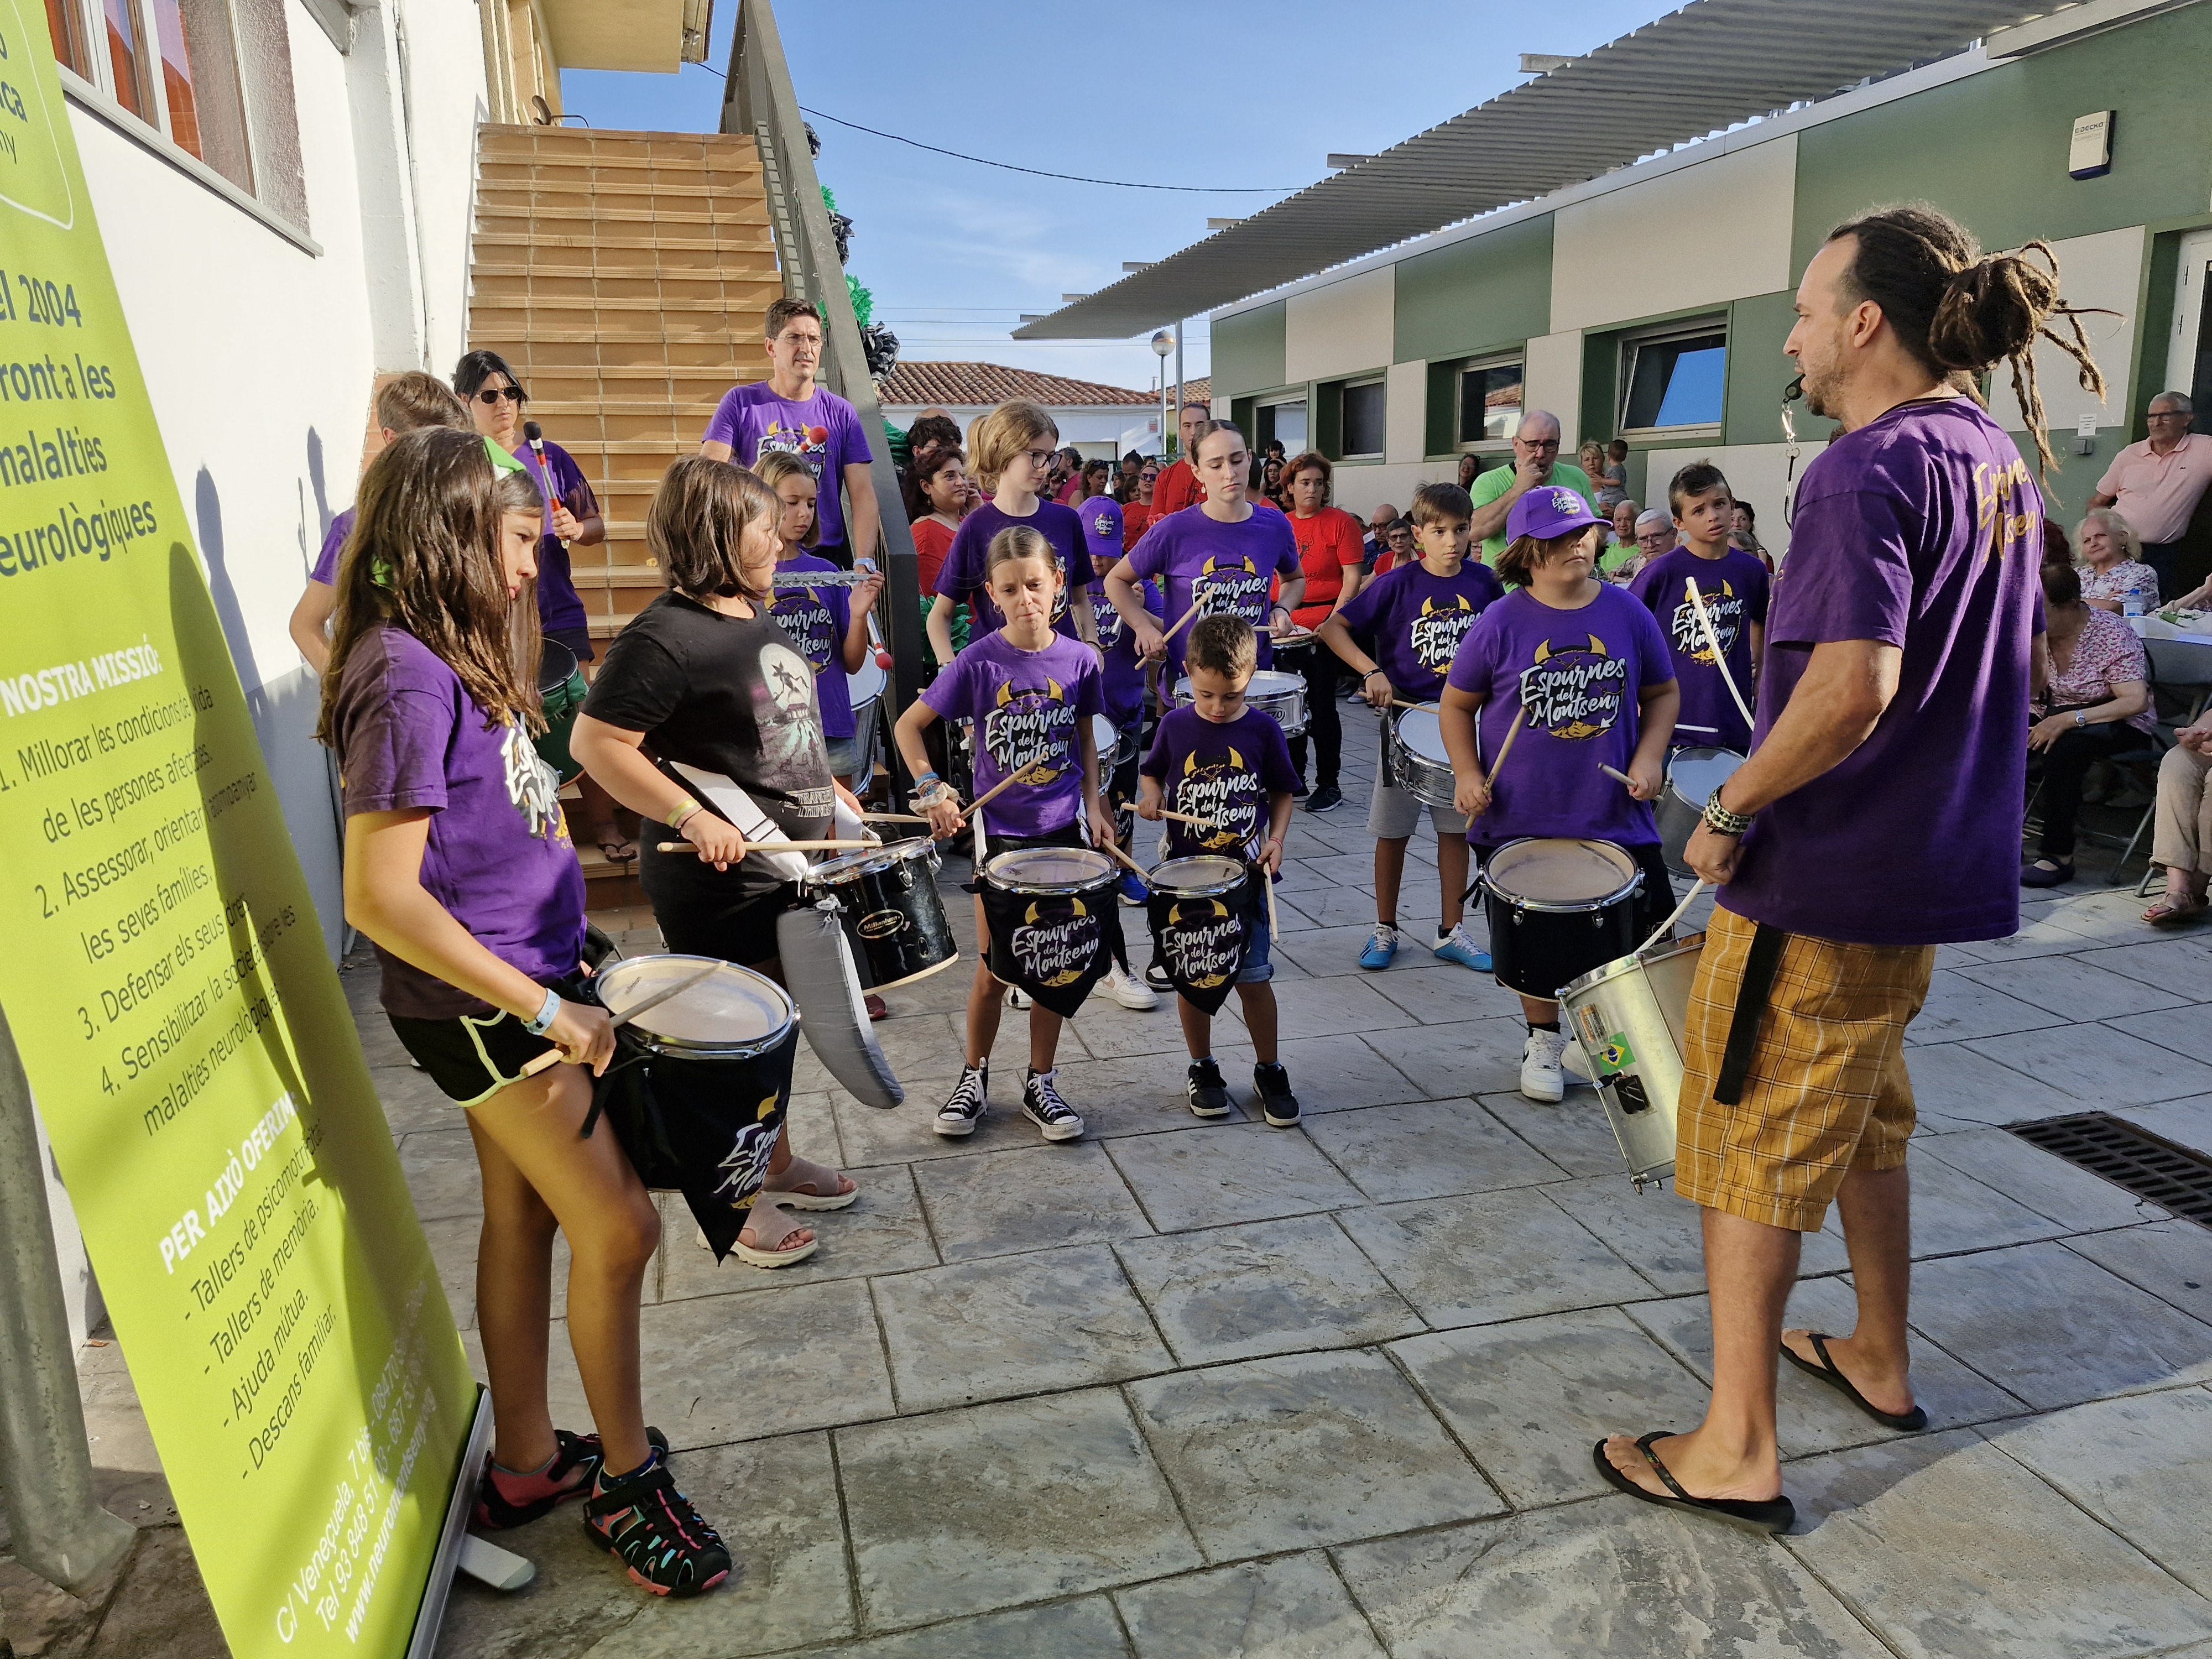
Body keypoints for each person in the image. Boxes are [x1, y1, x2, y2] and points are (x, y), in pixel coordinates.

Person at [1595, 204, 2097, 1533]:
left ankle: (1735, 1444)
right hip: (1919, 870)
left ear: (1865, 320)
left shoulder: (1863, 468)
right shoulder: (1987, 450)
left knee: (1745, 1134)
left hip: (1823, 873)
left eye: (1808, 312)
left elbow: (1849, 689)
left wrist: (1734, 806)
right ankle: (1878, 1351)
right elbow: (2036, 638)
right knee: (1867, 1115)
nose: (1795, 338)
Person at [321, 429, 729, 1597]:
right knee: (623, 1229)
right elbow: (379, 893)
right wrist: (546, 1006)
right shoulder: (399, 673)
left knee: (529, 1220)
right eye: (513, 540)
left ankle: (528, 1460)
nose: (526, 565)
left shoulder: (446, 657)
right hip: (488, 1008)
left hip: (521, 975)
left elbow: (484, 820)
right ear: (452, 535)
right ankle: (627, 1482)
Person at [570, 457, 863, 1270]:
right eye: (762, 525)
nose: (779, 536)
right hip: (720, 882)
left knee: (781, 1031)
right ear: (714, 534)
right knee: (738, 1046)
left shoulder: (748, 612)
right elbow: (593, 744)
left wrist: (834, 797)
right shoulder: (663, 638)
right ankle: (736, 1205)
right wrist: (689, 815)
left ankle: (774, 1162)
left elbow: (770, 737)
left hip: (784, 871)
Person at [1439, 486, 1678, 1100]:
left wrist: (1649, 756)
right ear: (1526, 552)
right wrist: (1467, 775)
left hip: (1613, 809)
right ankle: (1542, 1038)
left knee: (1644, 935)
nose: (1577, 545)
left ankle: (1605, 1045)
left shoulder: (1627, 613)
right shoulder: (1501, 621)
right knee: (1538, 939)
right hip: (1524, 809)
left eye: (1583, 533)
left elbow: (1662, 695)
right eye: (1557, 539)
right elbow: (1456, 704)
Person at [896, 525, 1116, 1141]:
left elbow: (1084, 738)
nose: (1025, 598)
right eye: (1011, 588)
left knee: (1055, 962)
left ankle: (1039, 1082)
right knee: (994, 968)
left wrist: (1095, 804)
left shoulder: (1078, 660)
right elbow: (909, 728)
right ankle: (974, 1074)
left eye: (1036, 585)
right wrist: (932, 787)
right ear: (993, 594)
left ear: (1056, 584)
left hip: (1063, 829)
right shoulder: (978, 660)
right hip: (1002, 834)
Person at [1323, 481, 1506, 973]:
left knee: (1455, 832)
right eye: (1440, 531)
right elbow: (1332, 628)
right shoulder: (1395, 584)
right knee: (1393, 831)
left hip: (1464, 727)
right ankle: (1386, 927)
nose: (1452, 540)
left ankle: (1451, 930)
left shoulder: (1486, 584)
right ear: (1419, 535)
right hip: (1406, 723)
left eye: (1461, 530)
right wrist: (1371, 671)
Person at [455, 349, 629, 862]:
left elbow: (595, 526)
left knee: (581, 719)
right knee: (508, 730)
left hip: (557, 609)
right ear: (466, 402)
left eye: (511, 393)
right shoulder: (463, 467)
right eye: (490, 395)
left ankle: (604, 822)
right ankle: (531, 839)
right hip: (495, 617)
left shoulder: (547, 455)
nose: (504, 403)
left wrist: (579, 529)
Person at [1138, 613, 1301, 1125]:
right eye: (1206, 694)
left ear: (1250, 675)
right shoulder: (1174, 724)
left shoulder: (1263, 728)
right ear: (1188, 672)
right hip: (1187, 881)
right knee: (1194, 978)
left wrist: (1275, 840)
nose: (1215, 706)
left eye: (1229, 696)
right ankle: (1202, 1066)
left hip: (1246, 879)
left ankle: (1269, 1067)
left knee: (1254, 978)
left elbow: (1282, 792)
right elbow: (1151, 772)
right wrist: (1150, 797)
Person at [289, 373, 475, 671]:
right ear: (392, 439)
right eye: (434, 445)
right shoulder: (355, 527)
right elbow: (305, 625)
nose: (448, 461)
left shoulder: (463, 514)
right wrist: (351, 691)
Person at [1105, 421, 1306, 685]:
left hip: (1254, 677)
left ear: (1249, 459)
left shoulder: (1275, 525)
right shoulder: (1174, 530)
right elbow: (1115, 580)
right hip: (1190, 681)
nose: (1229, 473)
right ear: (1197, 472)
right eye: (1216, 465)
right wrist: (1142, 626)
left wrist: (1283, 609)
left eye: (1236, 460)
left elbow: (1295, 579)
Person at [701, 298, 881, 569]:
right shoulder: (740, 402)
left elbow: (863, 494)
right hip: (758, 553)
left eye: (814, 339)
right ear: (771, 347)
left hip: (826, 553)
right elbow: (709, 474)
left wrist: (864, 560)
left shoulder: (842, 412)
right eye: (794, 338)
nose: (806, 348)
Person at [1076, 489, 1169, 995]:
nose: (1098, 558)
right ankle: (1100, 867)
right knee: (1095, 796)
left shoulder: (1138, 585)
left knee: (1127, 792)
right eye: (1090, 548)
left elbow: (1163, 628)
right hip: (1089, 715)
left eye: (1106, 549)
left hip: (1129, 705)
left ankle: (1125, 865)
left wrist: (1146, 627)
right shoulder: (1071, 588)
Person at [926, 401, 1099, 664]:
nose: (1046, 467)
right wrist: (948, 668)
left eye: (1051, 456)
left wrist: (1092, 645)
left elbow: (1080, 601)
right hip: (996, 674)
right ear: (1004, 452)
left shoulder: (1066, 520)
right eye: (1036, 455)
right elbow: (940, 615)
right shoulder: (976, 526)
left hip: (1061, 671)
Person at [758, 452, 886, 792]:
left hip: (831, 723)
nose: (804, 514)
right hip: (771, 730)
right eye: (792, 502)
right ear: (762, 502)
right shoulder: (747, 577)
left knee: (838, 832)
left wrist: (858, 614)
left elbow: (855, 663)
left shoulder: (828, 574)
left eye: (812, 504)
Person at [2022, 561, 2152, 886]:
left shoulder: (2109, 632)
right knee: (1989, 736)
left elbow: (2135, 700)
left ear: (2068, 606)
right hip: (2047, 712)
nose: (2030, 616)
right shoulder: (2035, 634)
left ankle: (2058, 855)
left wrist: (2068, 720)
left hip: (2112, 719)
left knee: (2064, 749)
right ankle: (1988, 838)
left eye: (2039, 608)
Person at [1629, 461, 1771, 753]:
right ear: (1679, 523)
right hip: (1674, 723)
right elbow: (1626, 629)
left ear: (1732, 505)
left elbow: (1761, 620)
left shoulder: (1751, 570)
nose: (1713, 516)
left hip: (1732, 716)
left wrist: (1761, 670)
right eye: (1698, 510)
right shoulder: (1662, 572)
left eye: (1719, 504)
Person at [1278, 451, 1368, 812]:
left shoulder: (1341, 522)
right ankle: (1294, 777)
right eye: (1304, 483)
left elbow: (1352, 578)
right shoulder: (1280, 524)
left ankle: (1329, 782)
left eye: (1318, 483)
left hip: (1327, 627)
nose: (1312, 489)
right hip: (1286, 627)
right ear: (1290, 487)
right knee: (1290, 705)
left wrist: (1334, 623)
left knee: (1322, 706)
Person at [2090, 391, 2208, 600]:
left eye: (2165, 416)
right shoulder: (2130, 454)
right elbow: (2098, 502)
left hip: (2164, 554)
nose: (2156, 423)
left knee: (2154, 611)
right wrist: (2096, 537)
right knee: (2109, 607)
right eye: (2151, 417)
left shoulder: (2204, 449)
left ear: (2187, 419)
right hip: (2120, 551)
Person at [1467, 410, 1595, 565]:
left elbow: (1598, 530)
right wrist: (1519, 489)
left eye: (1550, 445)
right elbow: (1474, 531)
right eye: (1532, 445)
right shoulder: (1489, 481)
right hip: (1506, 586)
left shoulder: (1576, 477)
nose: (1540, 453)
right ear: (1515, 444)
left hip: (1561, 583)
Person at [903, 442, 970, 598]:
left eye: (963, 476)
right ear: (926, 487)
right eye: (950, 476)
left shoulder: (967, 523)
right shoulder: (925, 535)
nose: (961, 483)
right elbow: (931, 599)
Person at [2072, 507, 2159, 613]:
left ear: (2122, 537)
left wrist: (2072, 603)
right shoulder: (2077, 575)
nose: (2093, 543)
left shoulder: (2141, 573)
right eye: (2087, 541)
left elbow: (2117, 609)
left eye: (2100, 536)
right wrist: (2101, 602)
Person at [1152, 401, 1214, 516]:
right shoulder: (1165, 478)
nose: (1193, 432)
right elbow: (1158, 525)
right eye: (1187, 426)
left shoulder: (1222, 473)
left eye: (1200, 425)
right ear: (1180, 432)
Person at [1601, 497, 1644, 579]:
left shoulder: (1643, 550)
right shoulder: (1605, 549)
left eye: (1628, 520)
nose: (1622, 524)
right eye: (1618, 520)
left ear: (1637, 521)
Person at [1729, 500, 1772, 571]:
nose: (1736, 524)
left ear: (1751, 523)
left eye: (1743, 519)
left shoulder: (1761, 555)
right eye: (1732, 519)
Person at [1363, 502, 1400, 573]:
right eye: (1374, 526)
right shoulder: (1366, 544)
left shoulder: (1400, 549)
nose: (1377, 531)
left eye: (1382, 526)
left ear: (1395, 523)